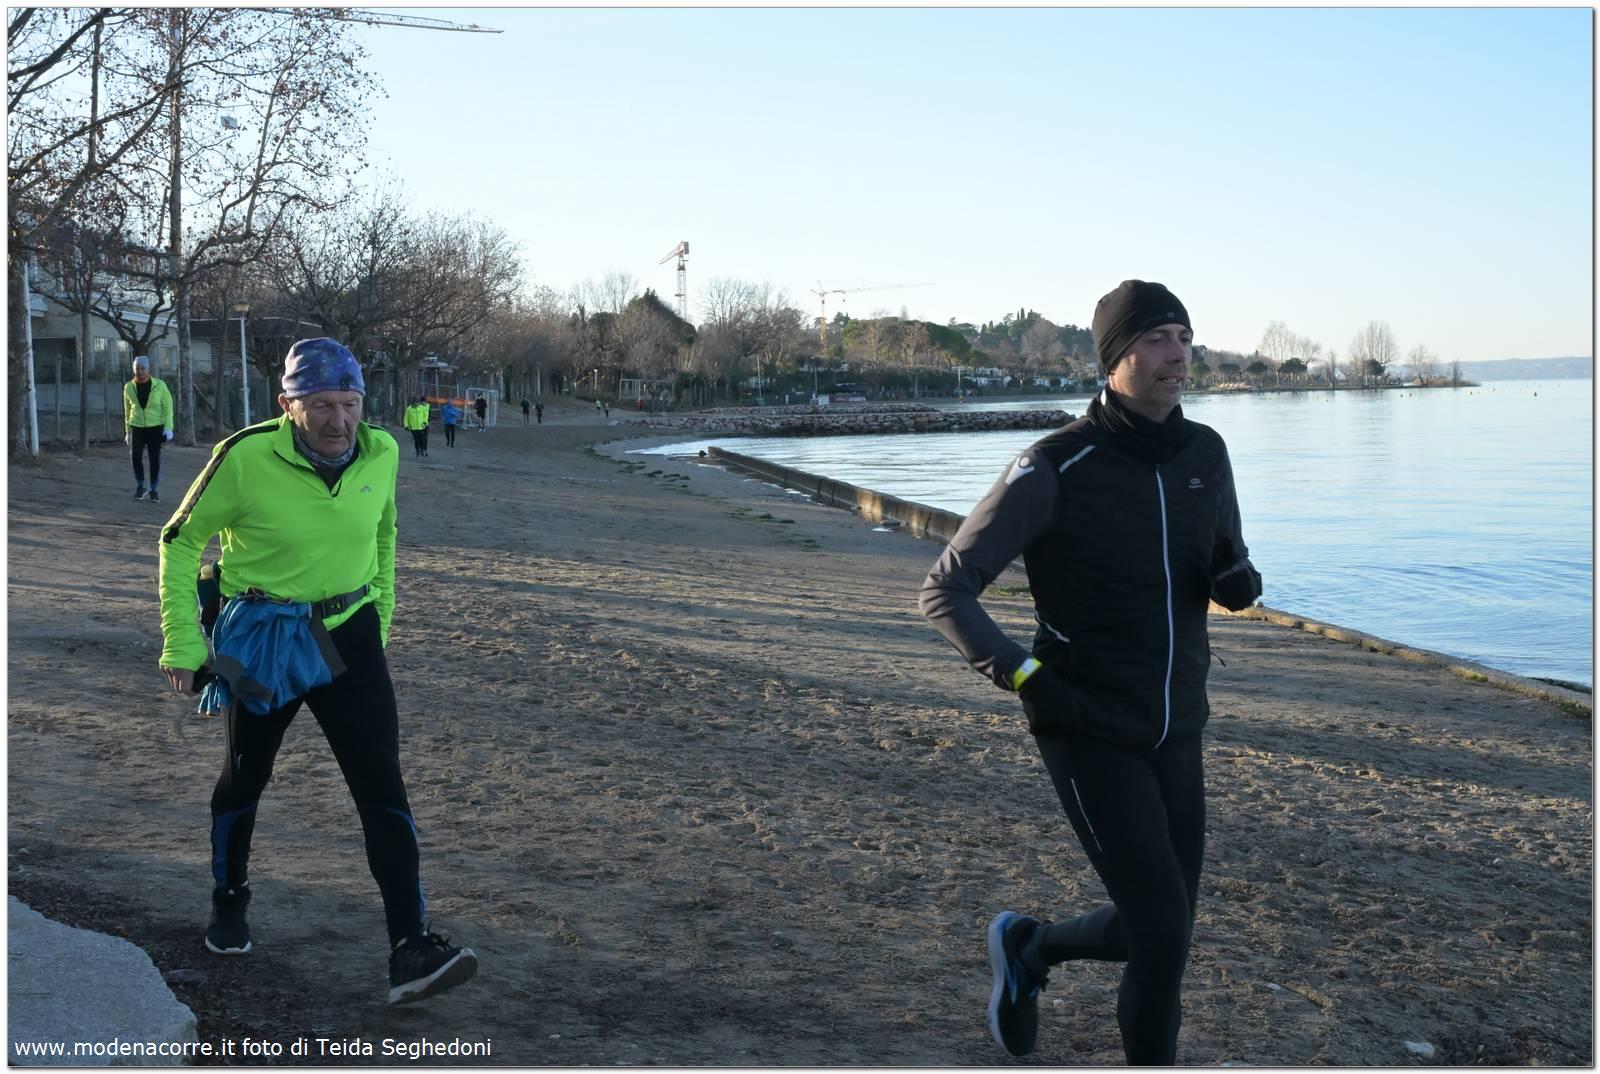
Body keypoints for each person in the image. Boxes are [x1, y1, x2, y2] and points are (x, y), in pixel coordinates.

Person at [919, 280, 1261, 1065]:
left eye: (1184, 336)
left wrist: (1237, 581)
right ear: (1114, 358)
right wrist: (1026, 677)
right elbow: (945, 589)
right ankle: (1038, 957)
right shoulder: (1054, 465)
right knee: (1161, 932)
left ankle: (1031, 948)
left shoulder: (1206, 452)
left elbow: (1227, 560)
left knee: (1163, 932)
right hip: (1085, 724)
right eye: (1156, 339)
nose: (1177, 355)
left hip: (1178, 725)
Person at [156, 337, 477, 1006]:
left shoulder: (383, 452)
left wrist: (380, 615)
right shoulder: (243, 457)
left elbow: (385, 532)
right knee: (246, 774)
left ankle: (410, 947)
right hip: (266, 636)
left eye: (350, 403)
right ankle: (229, 899)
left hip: (350, 633)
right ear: (288, 405)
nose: (339, 420)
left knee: (382, 785)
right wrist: (182, 643)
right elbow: (180, 541)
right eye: (322, 405)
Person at [124, 355, 174, 502]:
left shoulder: (160, 385)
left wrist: (168, 427)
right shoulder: (129, 387)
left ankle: (153, 489)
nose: (139, 371)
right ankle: (141, 485)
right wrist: (127, 431)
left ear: (148, 369)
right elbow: (127, 410)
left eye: (142, 368)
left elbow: (168, 408)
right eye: (137, 368)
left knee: (154, 459)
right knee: (135, 456)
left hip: (155, 427)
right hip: (137, 426)